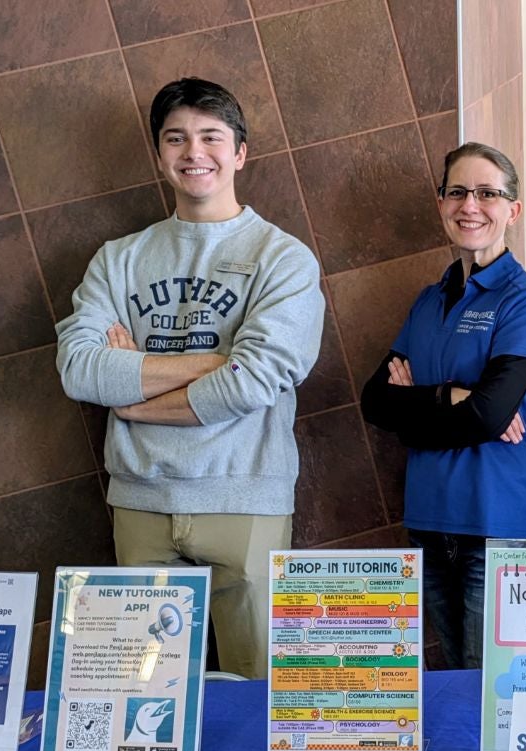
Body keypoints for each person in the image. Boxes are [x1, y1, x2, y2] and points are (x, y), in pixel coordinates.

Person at [55, 78, 324, 679]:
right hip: (141, 500)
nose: (193, 152)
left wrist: (134, 397)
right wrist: (211, 363)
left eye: (210, 137)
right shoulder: (117, 259)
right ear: (159, 154)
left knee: (260, 689)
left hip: (246, 496)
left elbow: (257, 380)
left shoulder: (282, 259)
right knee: (145, 693)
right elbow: (80, 368)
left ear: (240, 152)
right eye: (176, 138)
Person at [360, 143, 526, 670]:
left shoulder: (525, 301)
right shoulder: (429, 299)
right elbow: (376, 402)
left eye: (488, 193)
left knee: (493, 688)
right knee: (452, 676)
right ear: (441, 202)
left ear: (512, 210)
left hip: (497, 523)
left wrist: (418, 407)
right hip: (429, 520)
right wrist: (450, 395)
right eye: (458, 191)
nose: (471, 205)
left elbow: (489, 416)